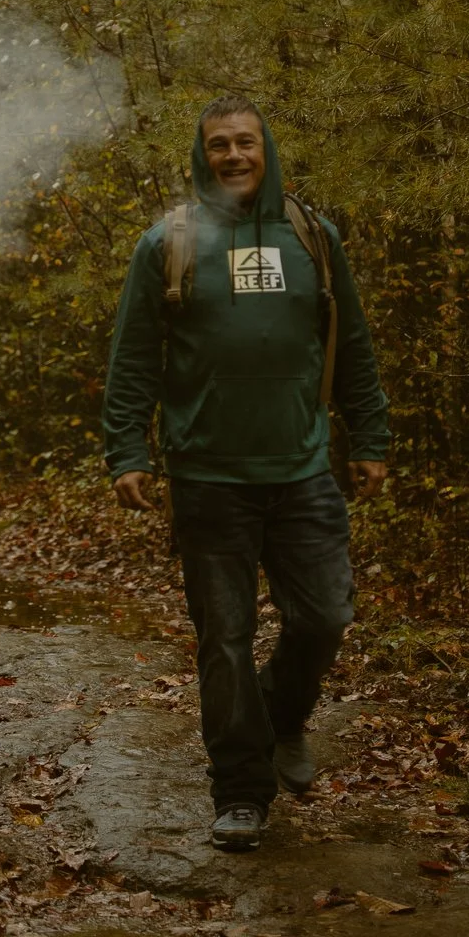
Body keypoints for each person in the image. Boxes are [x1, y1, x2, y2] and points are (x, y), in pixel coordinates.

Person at [101, 96, 391, 852]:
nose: (233, 155)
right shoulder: (169, 241)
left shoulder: (311, 236)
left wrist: (371, 434)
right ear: (202, 155)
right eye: (219, 144)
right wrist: (127, 450)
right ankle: (239, 790)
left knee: (325, 615)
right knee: (223, 637)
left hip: (302, 468)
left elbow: (350, 341)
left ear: (268, 149)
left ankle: (282, 717)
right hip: (208, 475)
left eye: (246, 142)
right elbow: (133, 359)